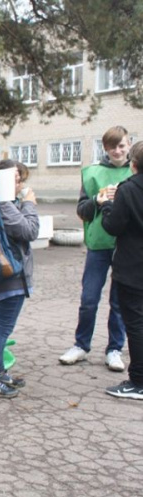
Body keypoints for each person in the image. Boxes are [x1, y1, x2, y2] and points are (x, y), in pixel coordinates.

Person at [59, 126, 132, 371]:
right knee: (89, 299)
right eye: (112, 147)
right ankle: (81, 345)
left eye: (121, 145)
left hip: (125, 246)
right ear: (105, 148)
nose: (117, 151)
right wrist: (96, 201)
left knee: (119, 302)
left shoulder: (135, 171)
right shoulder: (92, 173)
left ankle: (114, 349)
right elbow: (81, 210)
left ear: (129, 144)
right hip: (98, 245)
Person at [0, 160, 39, 399]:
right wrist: (30, 204)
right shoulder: (3, 203)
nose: (19, 183)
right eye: (15, 177)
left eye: (21, 178)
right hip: (11, 277)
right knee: (1, 328)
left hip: (1, 274)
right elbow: (29, 231)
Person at [99, 140, 143, 399]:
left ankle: (138, 382)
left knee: (135, 324)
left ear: (133, 165)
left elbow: (113, 226)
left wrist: (106, 205)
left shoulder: (128, 189)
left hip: (133, 269)